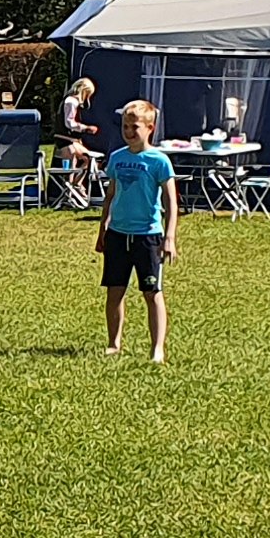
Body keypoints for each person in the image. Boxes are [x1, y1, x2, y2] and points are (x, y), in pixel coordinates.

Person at [100, 97, 179, 362]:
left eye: (135, 127)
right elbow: (110, 196)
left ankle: (157, 348)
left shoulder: (159, 161)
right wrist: (103, 230)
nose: (129, 132)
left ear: (150, 128)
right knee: (115, 291)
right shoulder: (117, 158)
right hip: (118, 235)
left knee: (152, 293)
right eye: (125, 127)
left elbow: (171, 201)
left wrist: (169, 237)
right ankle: (113, 342)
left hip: (148, 236)